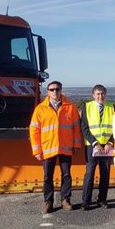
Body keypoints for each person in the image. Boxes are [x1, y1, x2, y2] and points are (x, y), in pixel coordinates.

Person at [29, 81, 82, 214]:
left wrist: (76, 144)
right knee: (48, 176)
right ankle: (48, 202)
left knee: (66, 175)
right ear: (48, 92)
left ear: (61, 90)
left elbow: (76, 128)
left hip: (65, 146)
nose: (54, 92)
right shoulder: (40, 109)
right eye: (51, 90)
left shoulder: (71, 107)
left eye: (57, 89)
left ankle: (65, 200)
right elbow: (34, 130)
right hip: (48, 148)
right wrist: (36, 150)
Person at [80, 84, 115, 210]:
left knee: (105, 174)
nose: (100, 96)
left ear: (106, 94)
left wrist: (110, 142)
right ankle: (86, 201)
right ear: (93, 95)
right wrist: (95, 143)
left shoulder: (112, 107)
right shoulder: (86, 107)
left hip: (107, 147)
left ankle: (102, 200)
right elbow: (84, 128)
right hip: (92, 146)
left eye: (102, 93)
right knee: (89, 173)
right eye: (98, 94)